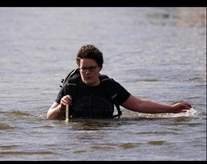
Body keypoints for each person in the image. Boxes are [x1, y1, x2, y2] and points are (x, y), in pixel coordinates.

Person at [46, 44, 192, 120]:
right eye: (83, 69)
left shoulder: (110, 86)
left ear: (100, 68)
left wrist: (171, 109)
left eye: (91, 68)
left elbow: (139, 105)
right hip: (78, 134)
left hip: (105, 133)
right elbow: (49, 117)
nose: (87, 72)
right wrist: (61, 108)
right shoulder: (71, 86)